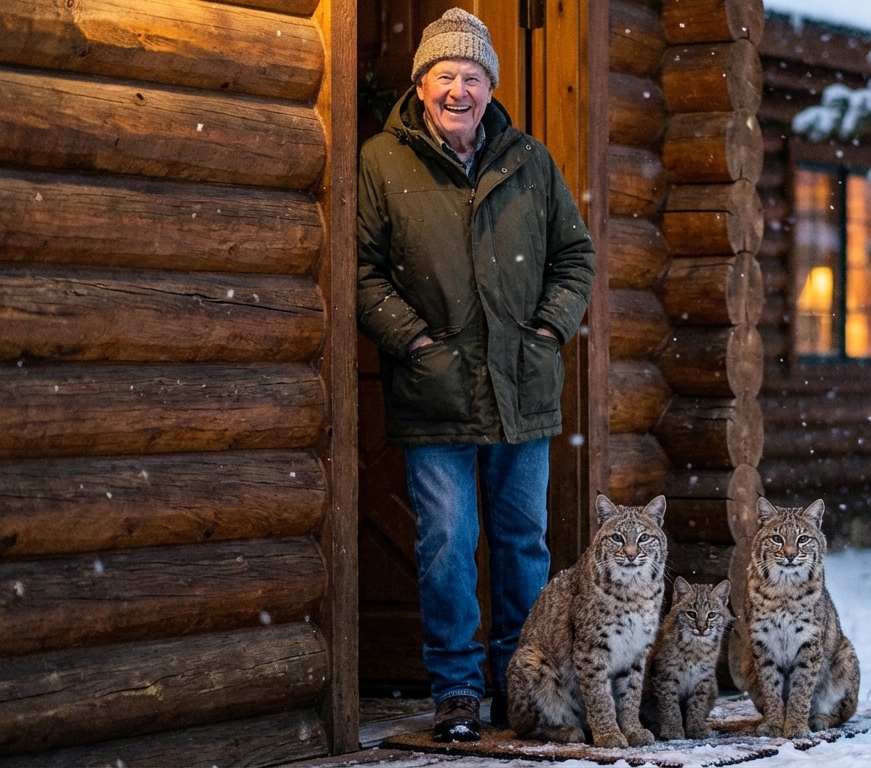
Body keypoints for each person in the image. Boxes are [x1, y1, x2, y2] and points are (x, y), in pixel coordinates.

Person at [356, 7, 594, 743]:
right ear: (421, 83)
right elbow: (360, 272)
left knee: (525, 543)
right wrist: (416, 339)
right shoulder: (381, 162)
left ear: (490, 87)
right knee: (447, 544)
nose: (458, 90)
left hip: (522, 387)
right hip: (435, 390)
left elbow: (575, 255)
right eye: (445, 76)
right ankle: (457, 689)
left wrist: (549, 328)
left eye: (472, 77)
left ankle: (521, 684)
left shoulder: (531, 161)